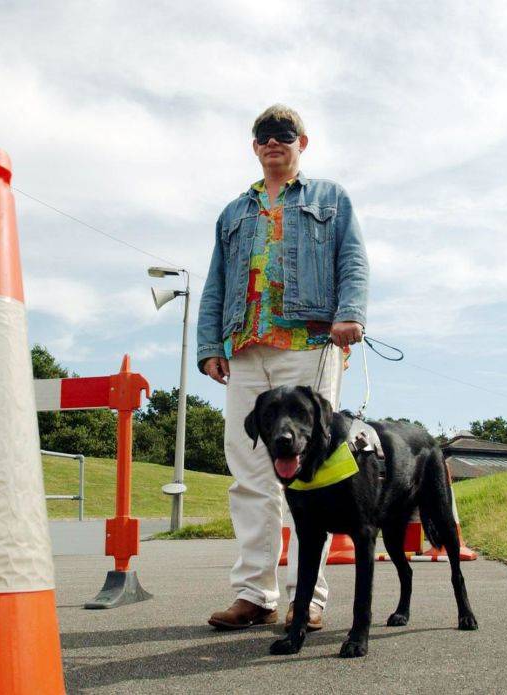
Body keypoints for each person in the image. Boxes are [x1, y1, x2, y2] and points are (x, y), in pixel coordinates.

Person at [197, 104, 369, 631]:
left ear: (302, 142)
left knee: (312, 473)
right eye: (264, 135)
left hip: (310, 341)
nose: (274, 142)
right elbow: (216, 282)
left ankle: (307, 598)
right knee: (249, 473)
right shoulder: (234, 212)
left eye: (284, 134)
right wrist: (210, 344)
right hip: (246, 347)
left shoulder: (330, 199)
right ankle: (255, 594)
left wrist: (349, 314)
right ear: (254, 146)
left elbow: (353, 260)